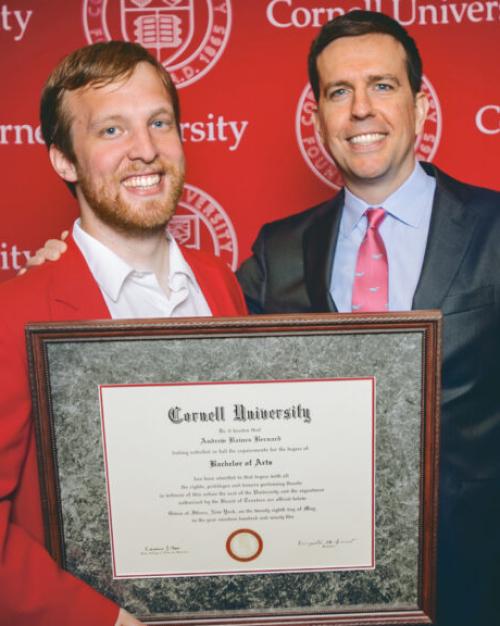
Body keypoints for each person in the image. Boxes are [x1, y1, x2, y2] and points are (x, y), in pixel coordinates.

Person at [236, 10, 500, 626]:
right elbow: (192, 336)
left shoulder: (494, 228)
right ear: (320, 115)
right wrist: (88, 253)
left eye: (382, 85)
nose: (361, 109)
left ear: (420, 105)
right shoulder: (277, 249)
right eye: (339, 91)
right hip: (321, 579)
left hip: (475, 579)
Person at [0, 41, 246, 626]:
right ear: (63, 159)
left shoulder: (220, 284)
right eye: (112, 130)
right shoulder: (17, 311)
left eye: (159, 122)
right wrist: (105, 621)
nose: (145, 150)